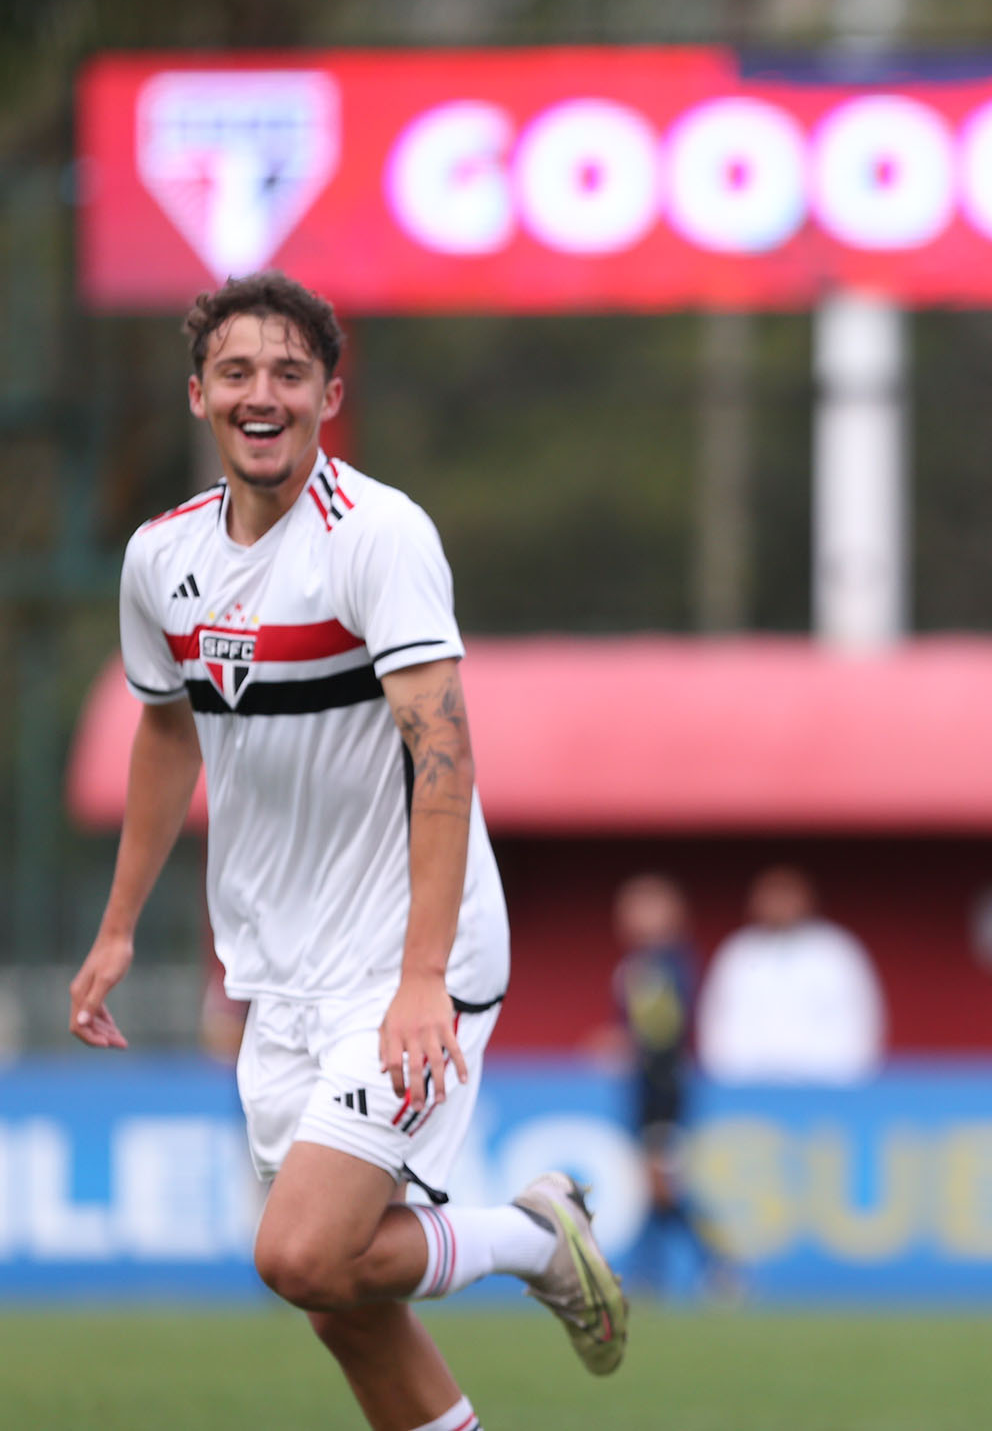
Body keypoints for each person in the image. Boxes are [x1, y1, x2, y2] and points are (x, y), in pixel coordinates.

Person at [67, 272, 626, 1431]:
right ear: (198, 396)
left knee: (302, 1252)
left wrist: (422, 978)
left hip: (409, 955)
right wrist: (119, 926)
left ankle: (532, 1236)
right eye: (237, 373)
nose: (260, 393)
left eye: (287, 373)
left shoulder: (378, 535)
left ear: (328, 392)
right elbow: (166, 736)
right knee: (342, 1303)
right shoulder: (158, 561)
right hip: (281, 970)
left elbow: (443, 754)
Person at [608, 873, 726, 1294]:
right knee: (652, 1190)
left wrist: (628, 1043)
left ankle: (718, 1265)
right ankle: (650, 1277)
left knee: (661, 1187)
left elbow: (663, 1031)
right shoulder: (640, 965)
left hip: (663, 1091)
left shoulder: (666, 964)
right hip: (643, 1090)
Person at [697, 865, 886, 1085]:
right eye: (771, 895)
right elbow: (717, 1020)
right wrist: (731, 1077)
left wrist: (845, 1081)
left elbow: (860, 1018)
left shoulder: (836, 950)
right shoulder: (738, 951)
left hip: (825, 1086)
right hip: (750, 1088)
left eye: (787, 894)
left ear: (807, 899)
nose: (779, 903)